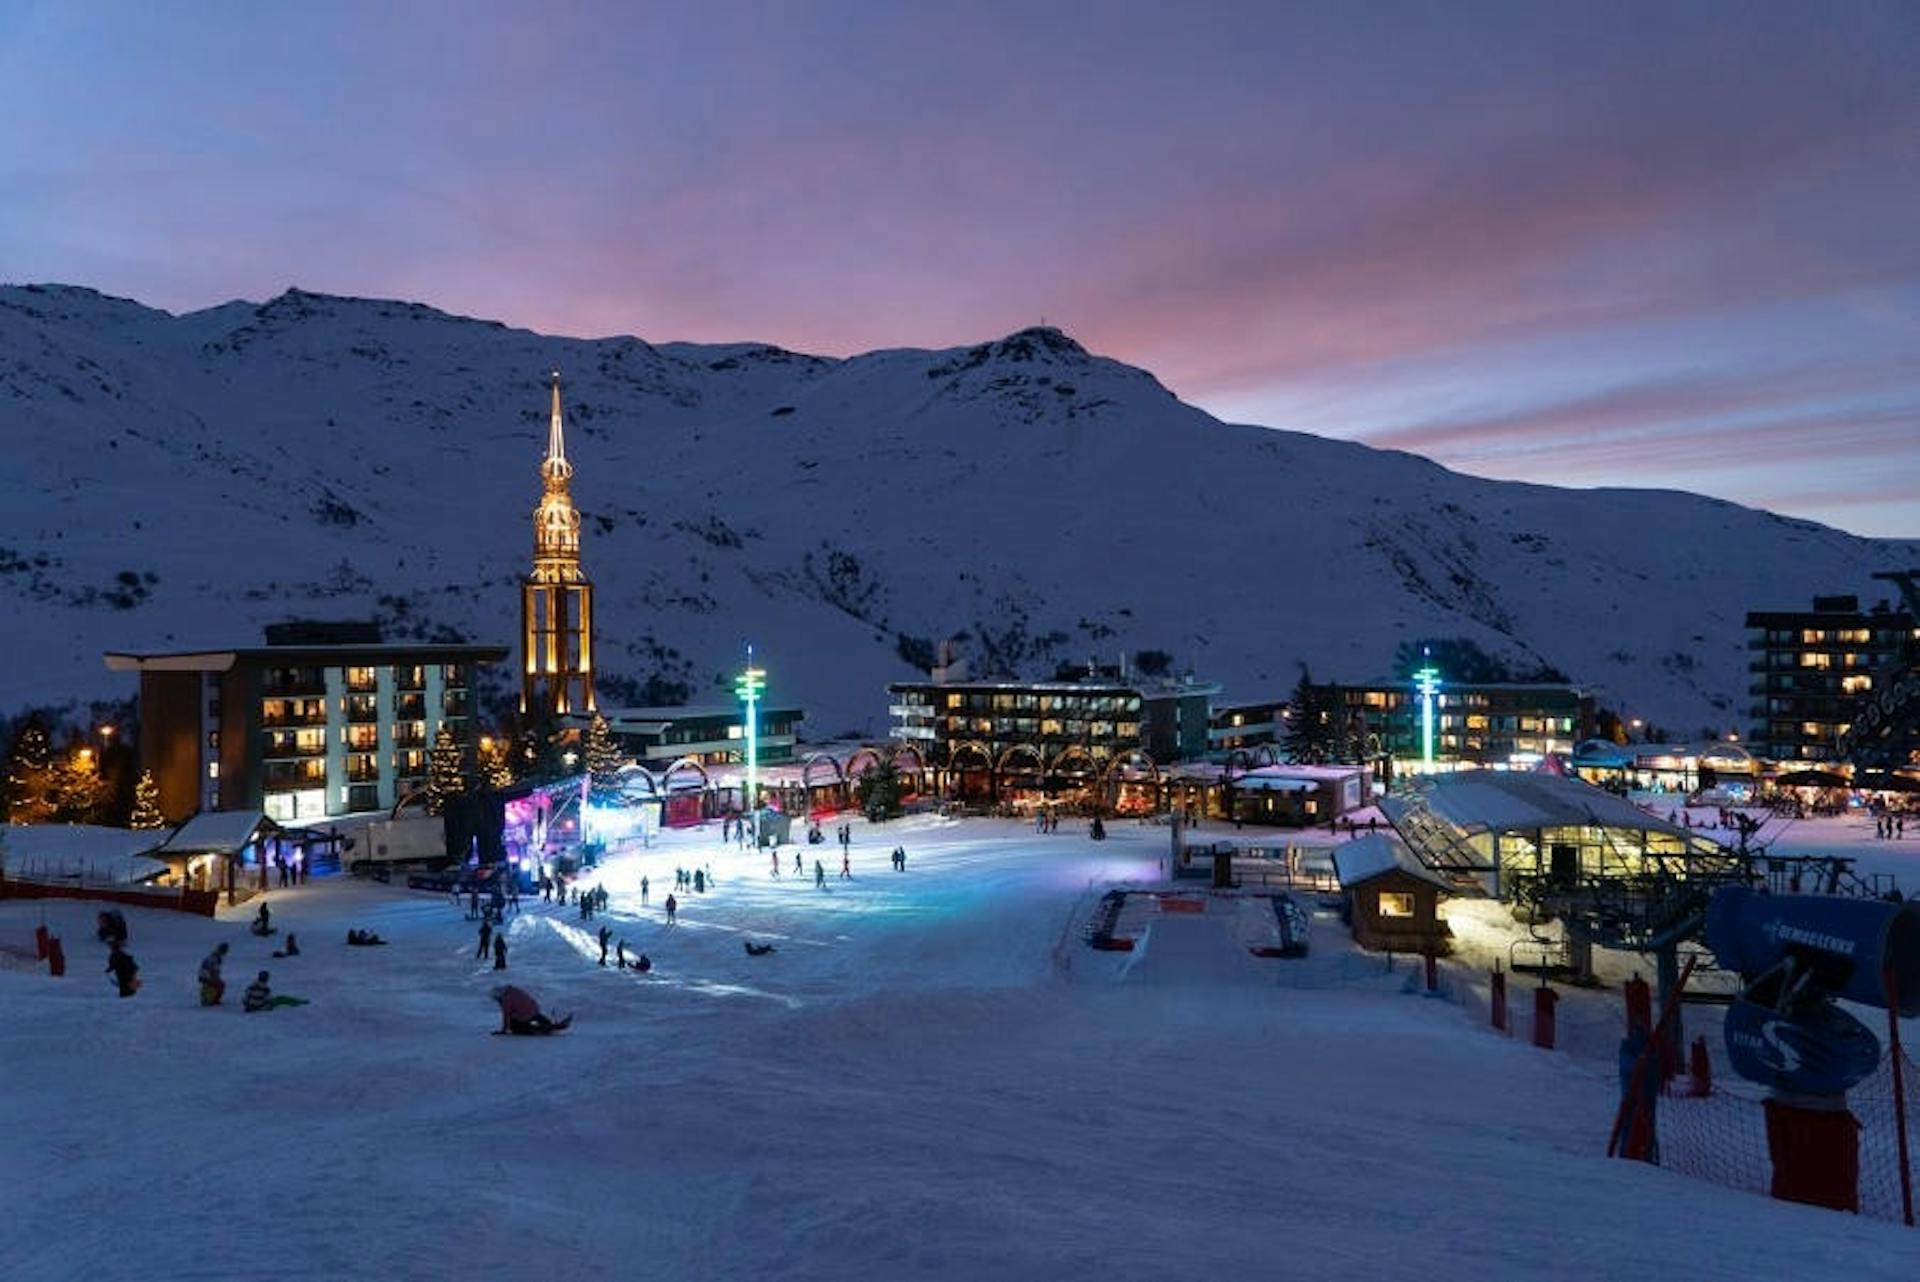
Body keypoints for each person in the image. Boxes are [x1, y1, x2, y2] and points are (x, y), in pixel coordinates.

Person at [492, 984, 570, 1035]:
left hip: (524, 1013)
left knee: (516, 1027)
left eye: (497, 999)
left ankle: (539, 1029)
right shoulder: (513, 990)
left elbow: (507, 1016)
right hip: (534, 1007)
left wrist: (504, 1030)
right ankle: (549, 1024)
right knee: (535, 1016)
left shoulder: (505, 999)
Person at [243, 969, 307, 1012]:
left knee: (279, 998)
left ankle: (297, 1001)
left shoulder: (251, 986)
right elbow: (268, 999)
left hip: (251, 1006)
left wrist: (248, 1005)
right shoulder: (265, 989)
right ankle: (297, 1002)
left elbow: (246, 998)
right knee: (281, 998)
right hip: (260, 1007)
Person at [198, 941, 230, 1006]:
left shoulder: (214, 956)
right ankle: (212, 1000)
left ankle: (208, 999)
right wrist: (215, 977)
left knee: (212, 985)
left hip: (204, 974)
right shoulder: (215, 957)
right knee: (219, 985)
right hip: (206, 975)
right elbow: (213, 969)